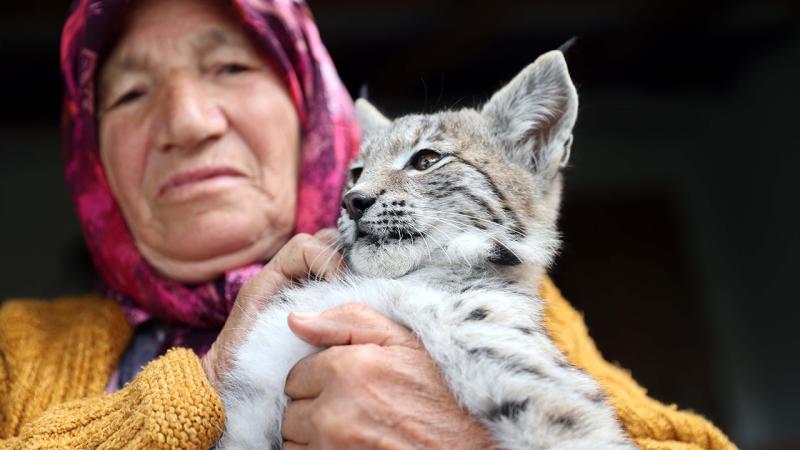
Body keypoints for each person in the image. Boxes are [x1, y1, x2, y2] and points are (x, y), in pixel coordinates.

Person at [0, 0, 736, 448]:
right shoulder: (16, 351)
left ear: (308, 115)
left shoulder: (513, 299)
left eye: (229, 69)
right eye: (129, 94)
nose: (187, 122)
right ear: (90, 158)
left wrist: (466, 441)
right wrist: (202, 385)